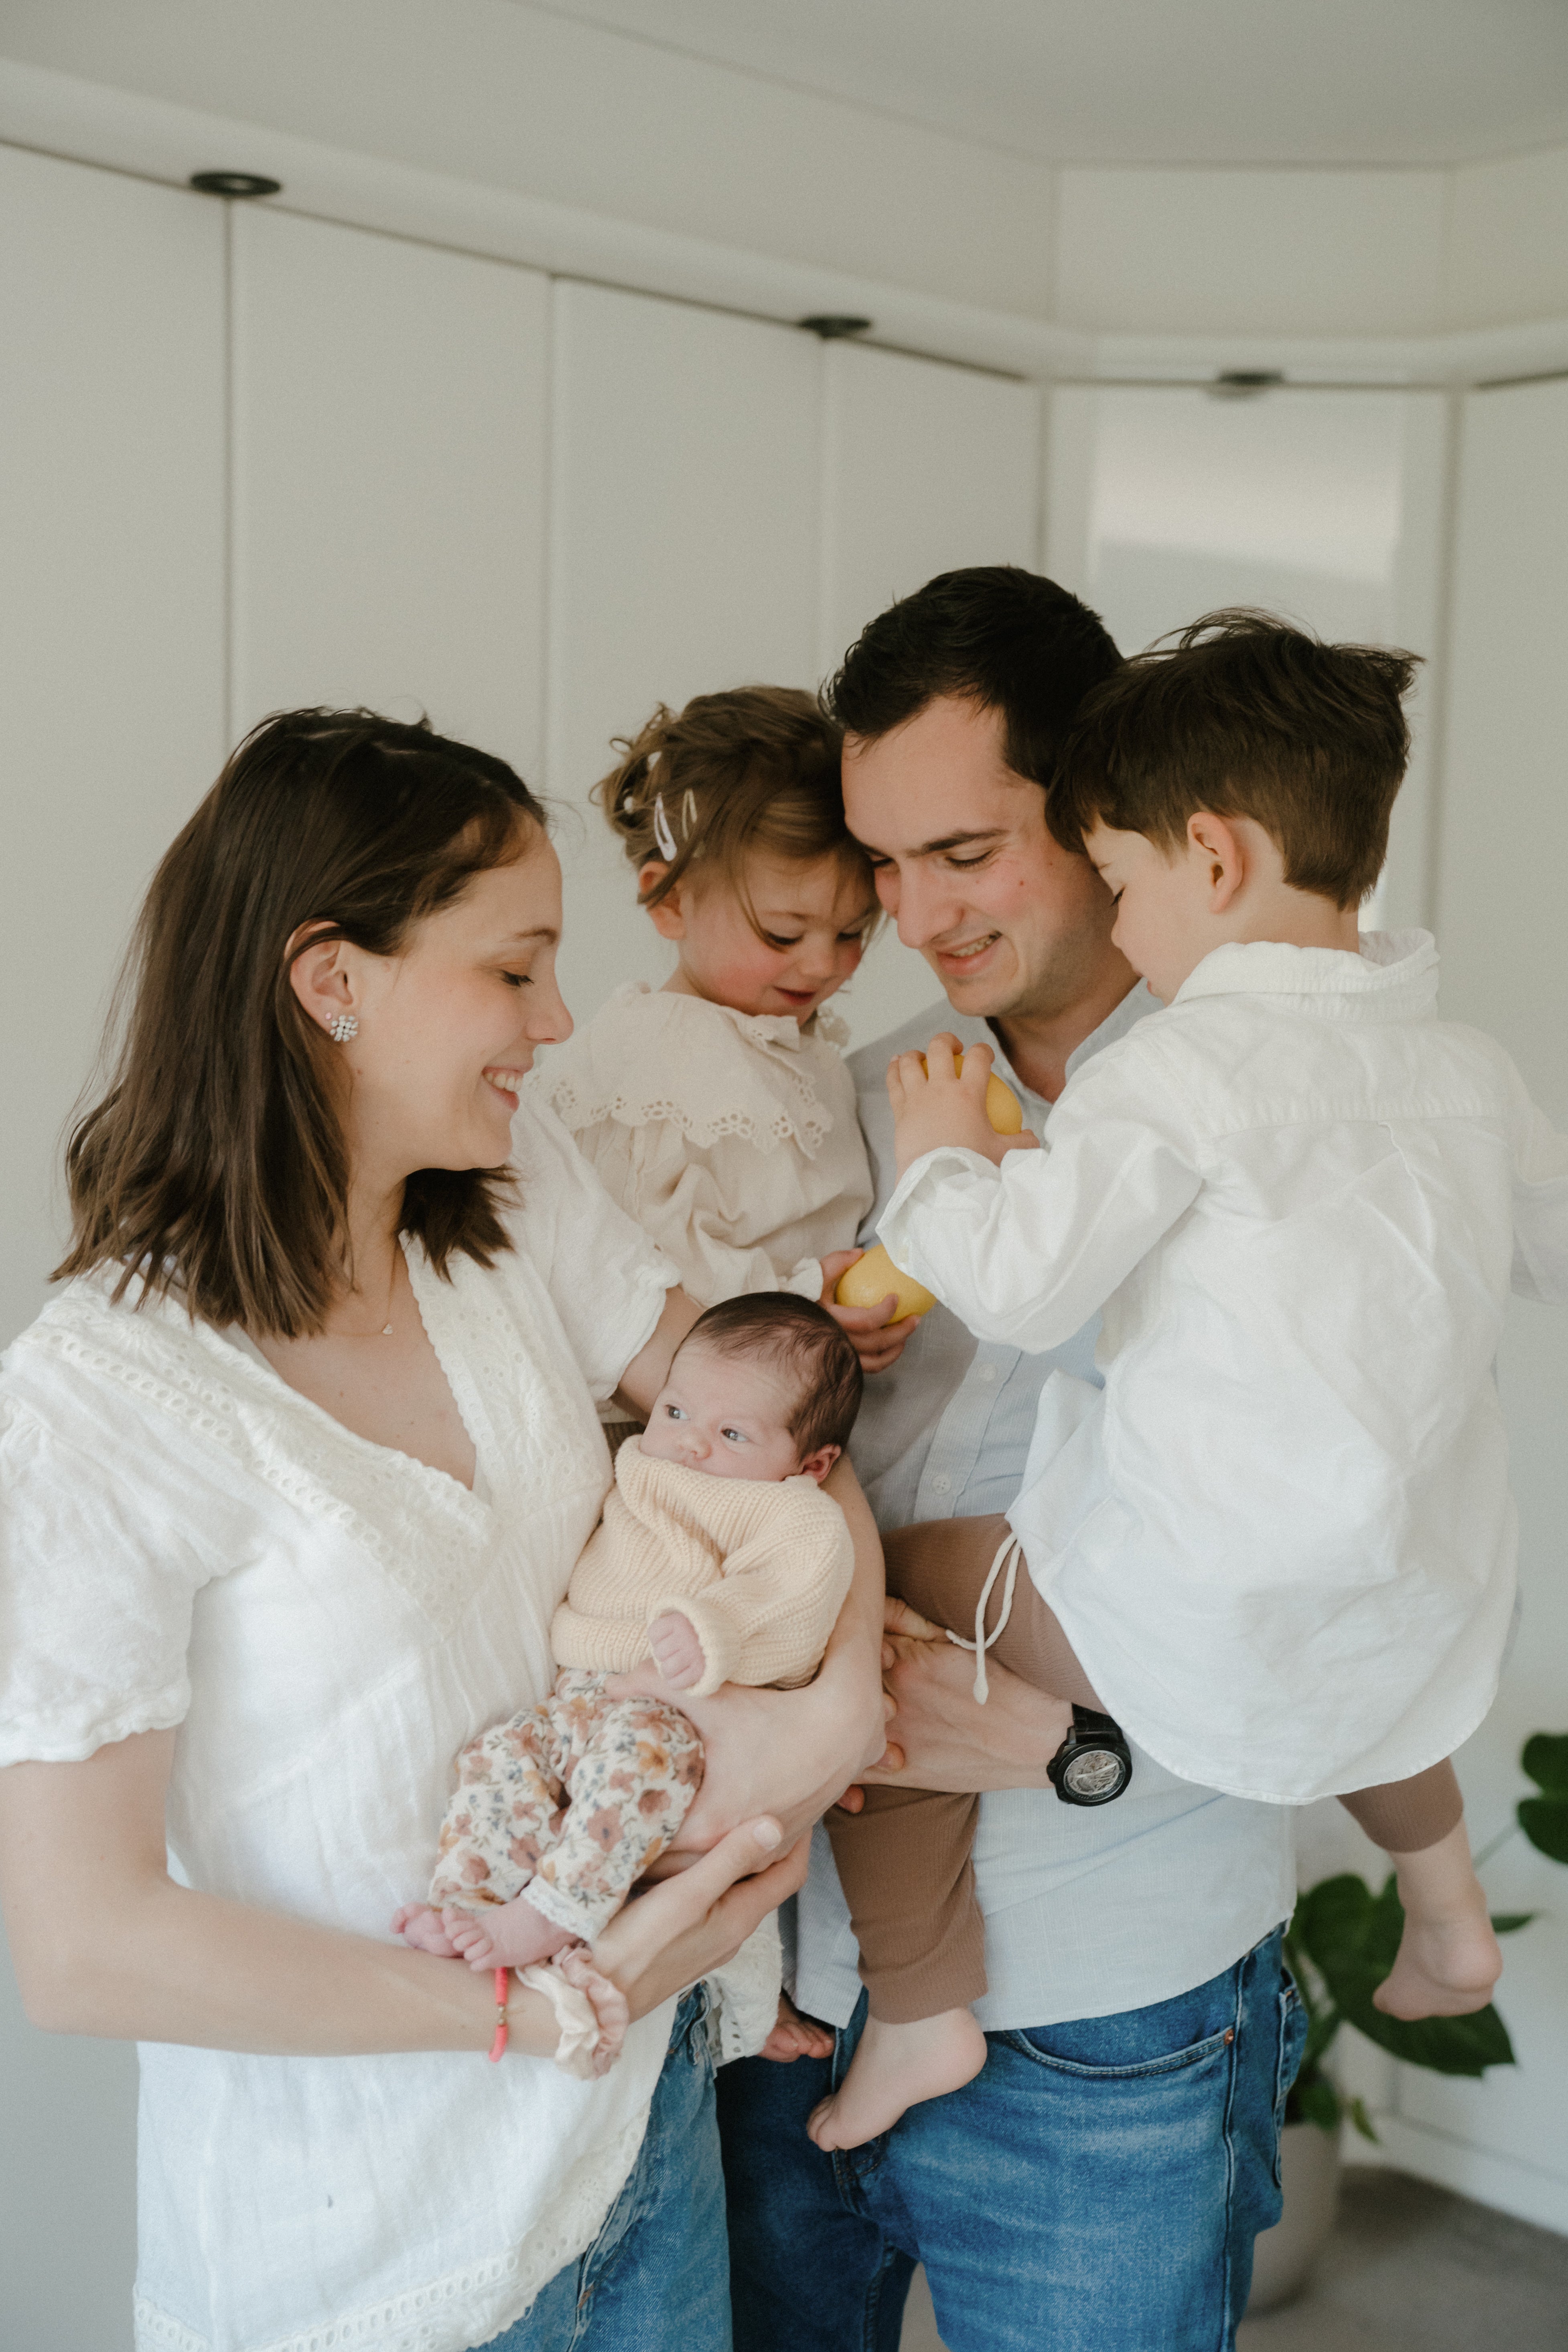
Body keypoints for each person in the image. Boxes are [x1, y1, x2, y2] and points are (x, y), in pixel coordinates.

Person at [0, 709, 886, 2352]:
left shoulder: (505, 1196)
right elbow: (84, 1944)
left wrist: (838, 1706)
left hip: (632, 2145)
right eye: (514, 968)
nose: (557, 1020)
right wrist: (532, 2006)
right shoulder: (99, 1400)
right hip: (365, 2257)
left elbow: (780, 1430)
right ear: (332, 978)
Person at [814, 612, 1568, 2149]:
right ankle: (1446, 1910)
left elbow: (1024, 1284)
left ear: (1206, 858)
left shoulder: (1171, 1073)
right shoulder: (1469, 1074)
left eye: (1116, 877)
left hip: (1146, 1867)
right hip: (1395, 1593)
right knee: (1363, 1667)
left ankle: (918, 1995)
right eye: (883, 866)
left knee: (893, 1572)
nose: (911, 915)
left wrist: (945, 1167)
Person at [717, 568, 1304, 2352]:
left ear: (1104, 809)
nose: (911, 916)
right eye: (882, 865)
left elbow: (1349, 1557)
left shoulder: (1279, 1121)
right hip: (783, 1983)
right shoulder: (849, 1097)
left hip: (1104, 2006)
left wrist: (1072, 1742)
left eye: (963, 853)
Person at [395, 1296, 860, 1997]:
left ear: (813, 1463)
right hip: (580, 1692)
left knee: (632, 1770)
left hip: (683, 1712)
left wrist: (713, 1628)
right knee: (500, 1755)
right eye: (675, 1411)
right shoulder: (645, 1461)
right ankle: (471, 1898)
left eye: (733, 1433)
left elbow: (791, 1594)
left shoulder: (794, 1512)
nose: (691, 1442)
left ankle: (555, 1913)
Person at [529, 687, 909, 1392]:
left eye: (852, 932)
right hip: (671, 1406)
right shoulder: (664, 1062)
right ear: (670, 900)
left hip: (772, 1396)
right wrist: (801, 1305)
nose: (822, 965)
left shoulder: (789, 1048)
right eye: (783, 934)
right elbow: (635, 1267)